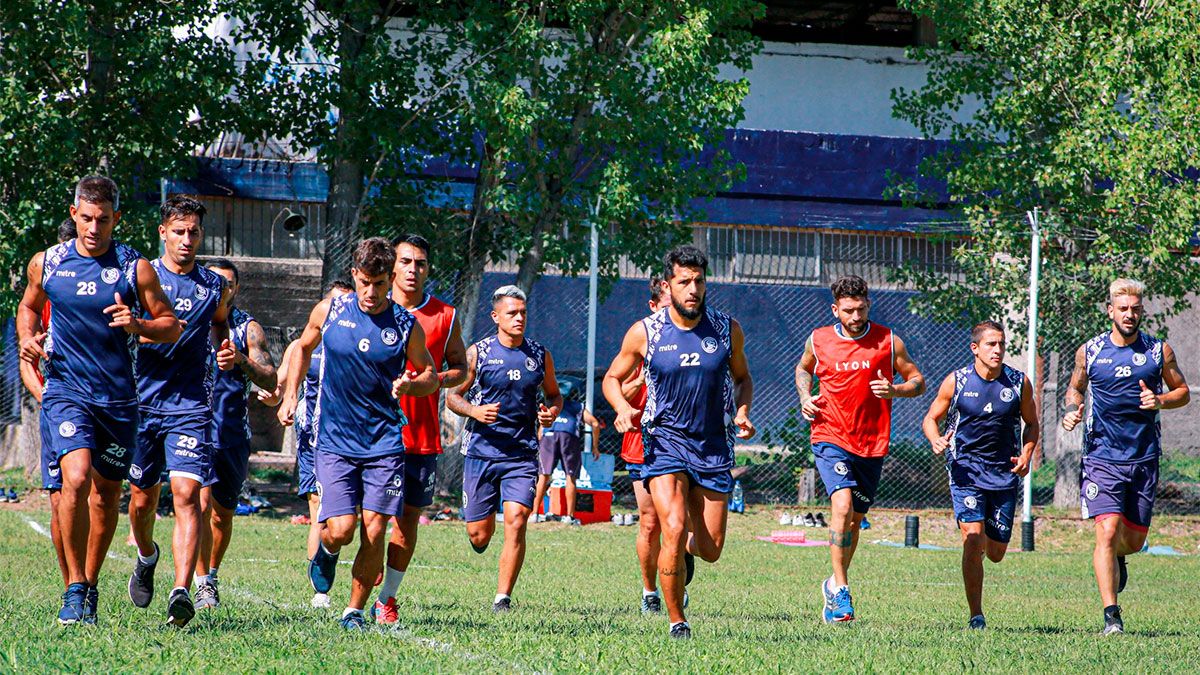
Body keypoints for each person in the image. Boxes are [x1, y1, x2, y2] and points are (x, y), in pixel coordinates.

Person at [16, 176, 182, 625]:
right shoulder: (47, 263)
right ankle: (72, 588)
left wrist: (138, 325)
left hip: (120, 400)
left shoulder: (135, 268)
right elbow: (29, 306)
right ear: (74, 215)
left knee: (108, 494)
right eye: (86, 218)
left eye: (103, 220)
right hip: (67, 391)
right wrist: (28, 338)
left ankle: (88, 587)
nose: (94, 228)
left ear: (116, 219)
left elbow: (171, 325)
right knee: (74, 479)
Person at [277, 237, 437, 630]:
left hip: (383, 442)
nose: (371, 292)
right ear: (354, 275)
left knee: (376, 526)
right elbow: (301, 346)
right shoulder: (330, 310)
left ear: (391, 279)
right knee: (341, 529)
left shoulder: (404, 325)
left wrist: (411, 386)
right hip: (335, 441)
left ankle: (354, 610)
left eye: (380, 283)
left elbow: (431, 375)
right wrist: (292, 395)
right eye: (365, 282)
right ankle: (327, 552)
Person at [603, 246, 755, 640]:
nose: (692, 289)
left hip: (713, 447)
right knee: (670, 526)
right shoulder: (646, 331)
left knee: (711, 548)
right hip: (664, 442)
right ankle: (677, 621)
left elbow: (742, 378)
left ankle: (687, 548)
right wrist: (621, 408)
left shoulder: (726, 329)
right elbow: (611, 378)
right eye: (684, 282)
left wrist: (741, 412)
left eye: (699, 281)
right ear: (668, 285)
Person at [126, 197, 233, 627]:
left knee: (189, 496)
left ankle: (181, 591)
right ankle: (147, 555)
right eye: (179, 231)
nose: (187, 240)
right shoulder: (142, 278)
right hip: (141, 404)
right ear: (163, 233)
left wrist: (223, 347)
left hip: (190, 406)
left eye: (194, 232)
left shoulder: (212, 286)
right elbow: (126, 328)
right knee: (140, 500)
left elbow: (221, 320)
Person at [1061, 278, 1189, 635]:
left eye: (1135, 309)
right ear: (1110, 311)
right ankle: (1111, 617)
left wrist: (1160, 400)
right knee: (1107, 530)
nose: (1129, 315)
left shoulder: (1156, 351)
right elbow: (1075, 387)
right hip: (1102, 456)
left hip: (1143, 456)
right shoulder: (1090, 351)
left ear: (1141, 311)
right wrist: (1072, 409)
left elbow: (1182, 392)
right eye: (1122, 309)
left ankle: (1121, 556)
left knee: (1131, 540)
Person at [794, 274, 924, 624]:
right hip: (830, 435)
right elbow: (803, 369)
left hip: (872, 442)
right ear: (835, 309)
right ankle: (842, 590)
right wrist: (806, 397)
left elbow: (917, 381)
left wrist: (897, 391)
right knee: (842, 505)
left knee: (855, 519)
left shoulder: (888, 340)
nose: (855, 317)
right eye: (848, 311)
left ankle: (834, 582)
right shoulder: (819, 339)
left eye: (861, 309)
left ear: (869, 305)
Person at [447, 285, 562, 613]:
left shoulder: (539, 355)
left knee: (517, 519)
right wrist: (474, 411)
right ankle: (481, 526)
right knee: (479, 536)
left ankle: (503, 598)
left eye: (523, 313)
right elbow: (452, 396)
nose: (519, 318)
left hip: (522, 454)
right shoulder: (478, 353)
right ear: (495, 317)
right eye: (512, 313)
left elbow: (554, 395)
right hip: (481, 451)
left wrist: (550, 413)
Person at [372, 234, 468, 624]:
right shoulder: (372, 307)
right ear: (392, 266)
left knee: (408, 521)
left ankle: (387, 598)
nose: (413, 270)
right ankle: (362, 571)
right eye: (406, 262)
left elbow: (461, 368)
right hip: (374, 433)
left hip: (421, 436)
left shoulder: (444, 315)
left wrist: (430, 379)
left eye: (421, 263)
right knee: (372, 520)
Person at [921, 320, 1038, 630]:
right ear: (975, 348)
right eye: (990, 344)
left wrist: (1027, 454)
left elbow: (1032, 424)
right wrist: (936, 439)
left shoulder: (1018, 383)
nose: (997, 350)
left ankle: (986, 528)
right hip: (966, 470)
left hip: (1003, 472)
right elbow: (931, 419)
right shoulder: (956, 382)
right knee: (973, 539)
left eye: (1001, 344)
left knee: (996, 553)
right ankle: (976, 615)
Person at [261, 279, 352, 609]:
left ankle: (335, 563)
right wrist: (280, 398)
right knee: (317, 505)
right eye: (336, 303)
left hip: (352, 437)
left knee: (344, 515)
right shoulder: (304, 345)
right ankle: (321, 589)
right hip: (314, 435)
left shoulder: (358, 342)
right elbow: (280, 384)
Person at [193, 258, 278, 610]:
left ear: (236, 288)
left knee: (222, 514)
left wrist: (241, 360)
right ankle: (198, 583)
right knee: (197, 504)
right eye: (216, 281)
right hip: (194, 428)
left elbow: (270, 378)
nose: (222, 288)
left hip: (232, 434)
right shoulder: (191, 320)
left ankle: (211, 574)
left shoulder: (247, 328)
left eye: (228, 283)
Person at [18, 217, 79, 592]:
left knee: (90, 492)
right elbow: (26, 359)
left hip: (100, 401)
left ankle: (84, 580)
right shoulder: (44, 296)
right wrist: (48, 399)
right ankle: (72, 584)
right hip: (57, 404)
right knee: (61, 500)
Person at [618, 277, 672, 613]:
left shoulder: (695, 339)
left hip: (683, 443)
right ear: (653, 307)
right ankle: (650, 590)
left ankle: (677, 565)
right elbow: (618, 392)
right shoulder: (640, 341)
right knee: (651, 520)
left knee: (680, 522)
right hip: (642, 444)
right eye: (667, 305)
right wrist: (641, 377)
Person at [532, 377, 604, 525]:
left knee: (543, 475)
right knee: (570, 477)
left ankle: (534, 514)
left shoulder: (550, 407)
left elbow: (540, 432)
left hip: (548, 435)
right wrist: (595, 447)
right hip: (569, 437)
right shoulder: (578, 407)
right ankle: (569, 516)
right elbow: (595, 423)